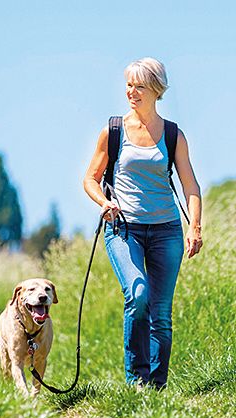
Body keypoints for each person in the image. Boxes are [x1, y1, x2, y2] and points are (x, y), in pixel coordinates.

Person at [83, 57, 203, 390]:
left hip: (166, 231)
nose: (131, 92)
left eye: (139, 86)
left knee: (161, 314)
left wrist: (194, 226)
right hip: (124, 229)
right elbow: (90, 179)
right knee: (138, 296)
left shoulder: (173, 134)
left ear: (156, 90)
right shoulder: (114, 130)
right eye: (128, 85)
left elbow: (190, 186)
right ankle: (136, 381)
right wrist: (104, 202)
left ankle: (156, 388)